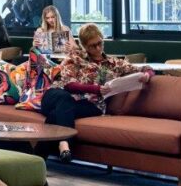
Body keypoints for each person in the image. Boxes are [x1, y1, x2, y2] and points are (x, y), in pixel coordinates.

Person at [42, 23, 153, 162]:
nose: (98, 48)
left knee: (56, 115)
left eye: (100, 43)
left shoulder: (114, 63)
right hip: (56, 95)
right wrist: (96, 89)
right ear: (84, 46)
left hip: (89, 105)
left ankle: (40, 157)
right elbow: (68, 85)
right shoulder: (75, 59)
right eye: (92, 46)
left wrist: (147, 75)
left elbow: (146, 68)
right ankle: (64, 144)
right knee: (65, 99)